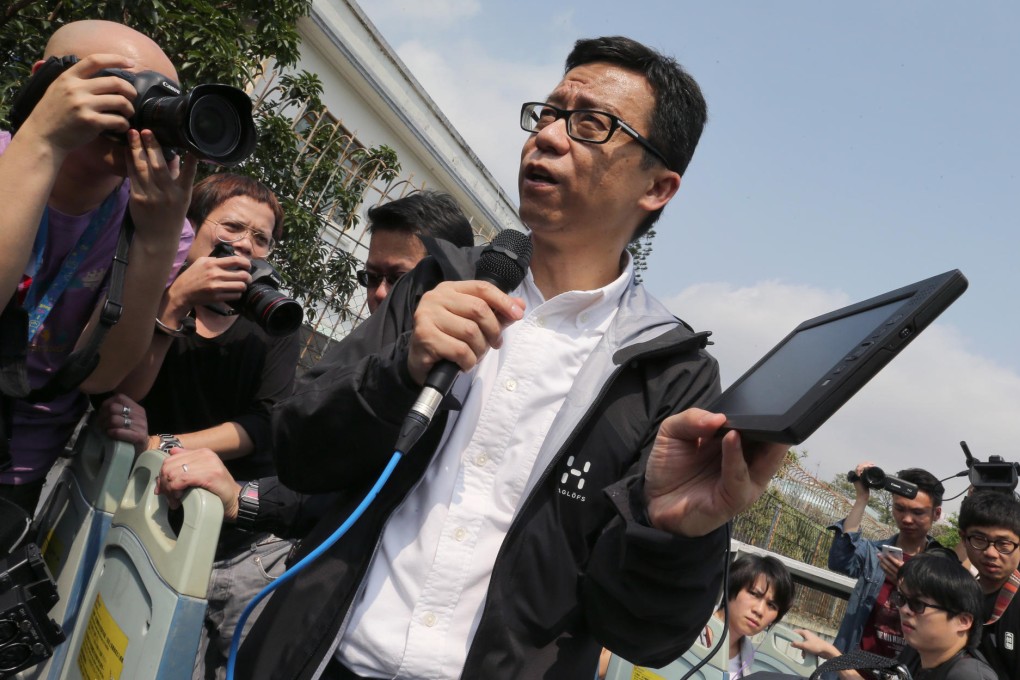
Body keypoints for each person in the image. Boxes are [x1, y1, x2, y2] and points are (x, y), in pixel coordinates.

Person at [234, 36, 791, 680]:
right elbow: (300, 450)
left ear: (659, 186)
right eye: (548, 113)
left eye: (590, 124)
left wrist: (673, 534)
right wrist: (401, 371)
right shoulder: (442, 282)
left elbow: (642, 633)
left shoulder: (671, 370)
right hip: (320, 660)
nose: (548, 136)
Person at [148, 190, 474, 677]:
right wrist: (243, 498)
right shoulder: (367, 359)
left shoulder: (491, 373)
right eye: (371, 278)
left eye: (400, 279)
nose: (381, 295)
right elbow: (303, 453)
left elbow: (265, 427)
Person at [93, 172, 298, 680]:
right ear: (192, 226)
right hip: (128, 504)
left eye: (261, 239)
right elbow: (120, 387)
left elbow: (266, 421)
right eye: (232, 227)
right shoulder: (150, 289)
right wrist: (175, 302)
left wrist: (161, 444)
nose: (245, 246)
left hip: (219, 533)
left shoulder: (272, 322)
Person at [0, 20, 197, 514]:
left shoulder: (158, 221)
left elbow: (99, 374)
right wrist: (42, 138)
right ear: (46, 80)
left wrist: (155, 241)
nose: (137, 116)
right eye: (122, 86)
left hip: (16, 477)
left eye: (160, 101)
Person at [794, 555, 997, 680]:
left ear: (963, 621)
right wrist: (830, 653)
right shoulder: (915, 655)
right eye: (901, 599)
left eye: (918, 604)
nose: (905, 610)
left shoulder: (967, 676)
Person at [829, 463, 948, 658]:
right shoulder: (875, 553)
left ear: (936, 514)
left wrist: (905, 583)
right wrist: (862, 498)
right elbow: (841, 560)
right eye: (899, 508)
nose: (907, 519)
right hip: (853, 669)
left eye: (918, 512)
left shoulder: (943, 567)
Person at [698, 554, 796, 679]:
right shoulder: (693, 627)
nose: (759, 610)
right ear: (732, 587)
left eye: (771, 605)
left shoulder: (747, 653)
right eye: (754, 594)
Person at [958, 490, 1020, 680]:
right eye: (980, 539)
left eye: (1004, 543)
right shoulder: (957, 596)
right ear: (963, 538)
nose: (991, 552)